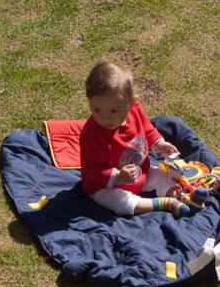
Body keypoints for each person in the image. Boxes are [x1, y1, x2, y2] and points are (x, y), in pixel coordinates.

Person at [79, 61, 207, 217]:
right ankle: (164, 203)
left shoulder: (135, 110)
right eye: (96, 109)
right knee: (123, 202)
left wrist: (159, 143)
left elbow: (146, 128)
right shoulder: (92, 135)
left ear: (131, 103)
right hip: (105, 186)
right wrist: (118, 176)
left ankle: (183, 199)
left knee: (163, 175)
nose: (105, 118)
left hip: (142, 170)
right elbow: (91, 170)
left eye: (113, 111)